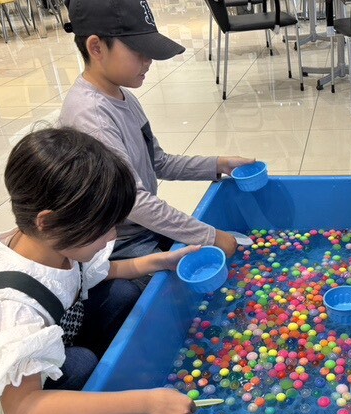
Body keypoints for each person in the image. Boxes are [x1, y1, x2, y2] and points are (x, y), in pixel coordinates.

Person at [0, 128, 199, 414]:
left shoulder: (52, 247)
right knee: (79, 365)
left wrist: (159, 261)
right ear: (48, 221)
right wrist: (145, 402)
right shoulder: (13, 309)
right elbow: (22, 410)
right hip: (7, 394)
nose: (111, 237)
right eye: (102, 228)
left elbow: (98, 273)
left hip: (45, 343)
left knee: (122, 293)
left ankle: (93, 390)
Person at [59, 0, 253, 269]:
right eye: (139, 51)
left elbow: (156, 161)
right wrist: (211, 236)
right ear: (96, 47)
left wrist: (219, 164)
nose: (148, 60)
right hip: (113, 244)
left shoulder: (122, 95)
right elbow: (134, 202)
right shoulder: (92, 118)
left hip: (140, 228)